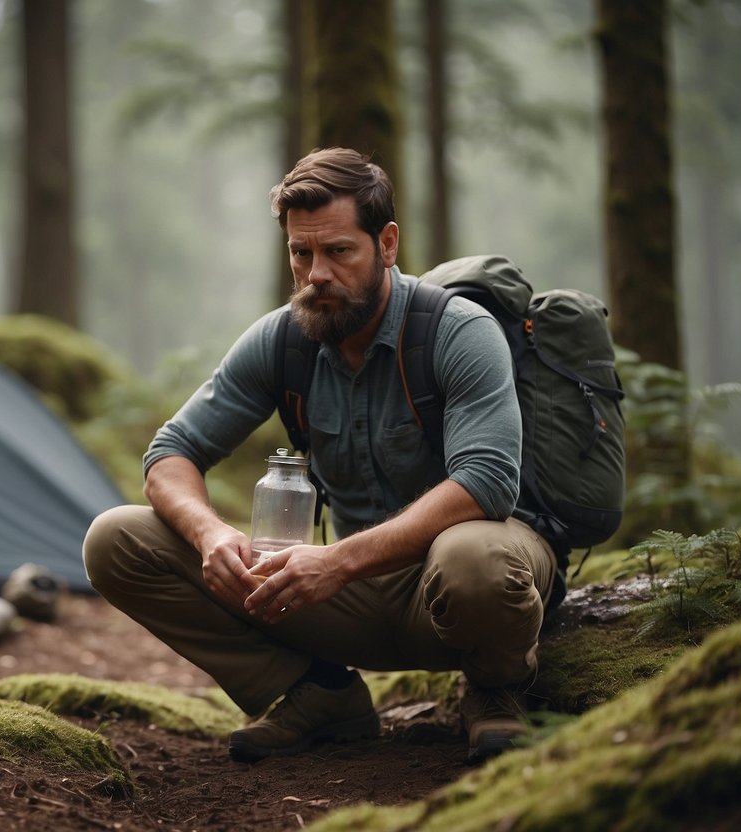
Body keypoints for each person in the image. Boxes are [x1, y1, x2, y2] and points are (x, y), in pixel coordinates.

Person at [82, 147, 556, 763]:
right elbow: (172, 452)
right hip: (340, 596)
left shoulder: (457, 330)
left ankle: (497, 690)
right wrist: (209, 537)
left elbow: (487, 483)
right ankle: (319, 693)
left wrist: (336, 561)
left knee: (473, 556)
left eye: (338, 251)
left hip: (458, 584)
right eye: (301, 254)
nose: (317, 275)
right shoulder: (283, 339)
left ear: (386, 244)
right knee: (116, 539)